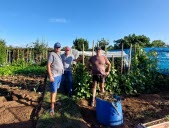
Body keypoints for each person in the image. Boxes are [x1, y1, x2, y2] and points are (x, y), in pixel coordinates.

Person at [47, 42, 64, 116]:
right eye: (57, 47)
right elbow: (48, 65)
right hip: (54, 76)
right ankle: (52, 108)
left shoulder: (59, 54)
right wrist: (50, 75)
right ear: (54, 48)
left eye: (59, 47)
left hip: (59, 75)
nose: (58, 48)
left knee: (56, 89)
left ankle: (54, 102)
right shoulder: (52, 54)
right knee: (53, 91)